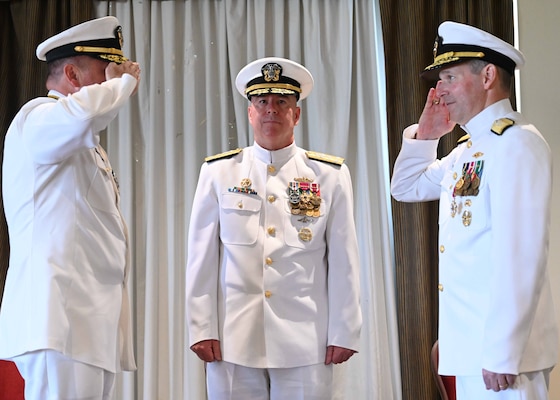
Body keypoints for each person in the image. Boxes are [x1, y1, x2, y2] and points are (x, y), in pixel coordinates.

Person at [391, 21, 558, 399]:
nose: (439, 90)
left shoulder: (516, 144)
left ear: (487, 76)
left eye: (449, 76)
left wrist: (503, 351)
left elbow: (521, 256)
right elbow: (404, 187)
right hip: (470, 351)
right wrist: (427, 136)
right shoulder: (468, 150)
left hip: (502, 359)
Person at [185, 57, 362, 399]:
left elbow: (344, 260)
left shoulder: (329, 175)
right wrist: (200, 327)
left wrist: (344, 331)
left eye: (282, 102)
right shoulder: (219, 172)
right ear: (250, 113)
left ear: (296, 114)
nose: (271, 110)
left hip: (305, 340)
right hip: (233, 338)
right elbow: (201, 258)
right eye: (262, 102)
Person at [0, 16, 141, 400]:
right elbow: (86, 114)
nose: (112, 77)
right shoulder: (37, 119)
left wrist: (113, 82)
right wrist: (122, 83)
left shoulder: (81, 141)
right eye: (104, 70)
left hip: (87, 322)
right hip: (59, 320)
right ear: (72, 75)